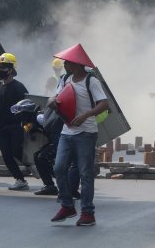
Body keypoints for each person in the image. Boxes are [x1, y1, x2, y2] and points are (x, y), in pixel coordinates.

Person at [50, 44, 108, 227]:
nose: (65, 65)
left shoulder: (92, 81)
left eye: (67, 62)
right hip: (67, 131)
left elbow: (104, 104)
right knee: (59, 168)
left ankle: (87, 212)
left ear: (76, 63)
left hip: (86, 133)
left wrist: (85, 115)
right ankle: (67, 205)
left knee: (85, 173)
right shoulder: (65, 78)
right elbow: (57, 97)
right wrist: (52, 102)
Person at [0, 53, 29, 191]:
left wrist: (25, 124)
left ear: (11, 69)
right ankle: (20, 180)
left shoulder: (19, 87)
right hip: (2, 126)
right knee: (7, 155)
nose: (0, 70)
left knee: (16, 151)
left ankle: (33, 165)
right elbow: (1, 104)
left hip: (15, 125)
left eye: (3, 67)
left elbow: (27, 105)